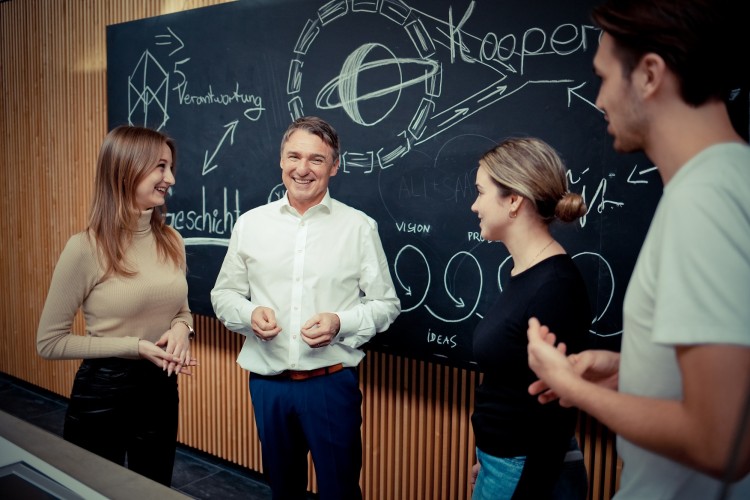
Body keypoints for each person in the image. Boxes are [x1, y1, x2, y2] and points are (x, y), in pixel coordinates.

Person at [525, 1, 750, 499]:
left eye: (604, 77)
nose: (600, 99)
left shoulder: (704, 201)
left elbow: (722, 443)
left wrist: (572, 388)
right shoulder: (734, 179)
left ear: (649, 75)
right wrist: (631, 370)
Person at [210, 115, 401, 500]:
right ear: (281, 160)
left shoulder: (359, 227)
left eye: (316, 159)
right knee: (284, 489)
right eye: (294, 156)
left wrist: (340, 321)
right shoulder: (250, 224)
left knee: (340, 490)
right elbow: (223, 294)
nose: (302, 168)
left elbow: (386, 304)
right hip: (269, 386)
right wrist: (248, 315)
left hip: (330, 385)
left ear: (334, 165)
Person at [37, 125, 197, 486]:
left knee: (153, 490)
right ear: (127, 169)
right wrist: (134, 347)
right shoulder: (84, 248)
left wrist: (181, 330)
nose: (170, 178)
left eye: (170, 167)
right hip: (103, 390)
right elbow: (49, 343)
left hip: (161, 389)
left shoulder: (172, 239)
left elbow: (182, 311)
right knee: (92, 491)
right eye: (160, 167)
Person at [468, 137, 592, 499]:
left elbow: (553, 416)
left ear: (513, 200)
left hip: (528, 473)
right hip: (504, 464)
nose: (475, 205)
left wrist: (518, 483)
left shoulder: (554, 287)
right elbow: (512, 384)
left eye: (480, 192)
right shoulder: (525, 273)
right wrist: (490, 459)